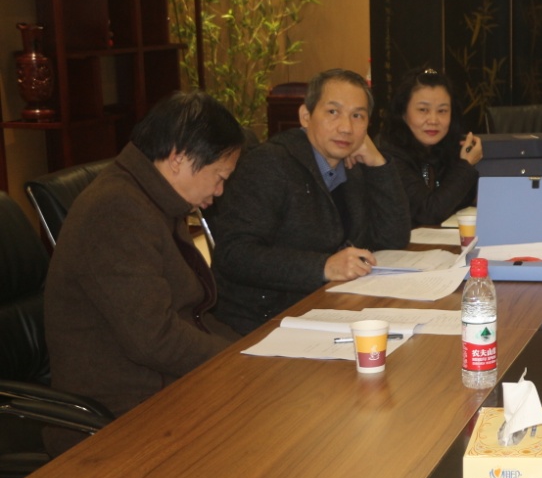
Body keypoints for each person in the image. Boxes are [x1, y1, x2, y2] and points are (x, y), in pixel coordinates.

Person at [44, 91, 245, 455]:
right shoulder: (116, 211)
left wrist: (248, 351)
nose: (220, 190)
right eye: (219, 176)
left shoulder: (154, 197)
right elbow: (155, 339)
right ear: (179, 158)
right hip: (121, 415)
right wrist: (237, 359)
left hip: (166, 387)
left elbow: (192, 311)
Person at [210, 68, 411, 334]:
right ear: (305, 116)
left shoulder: (353, 165)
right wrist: (323, 267)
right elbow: (234, 254)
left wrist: (378, 163)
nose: (346, 127)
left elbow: (393, 238)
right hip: (265, 320)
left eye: (357, 116)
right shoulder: (269, 164)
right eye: (333, 112)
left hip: (330, 307)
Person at [380, 68, 481, 226]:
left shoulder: (447, 147)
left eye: (442, 111)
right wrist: (466, 166)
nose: (433, 120)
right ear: (403, 113)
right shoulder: (388, 156)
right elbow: (428, 212)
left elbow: (460, 203)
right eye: (423, 110)